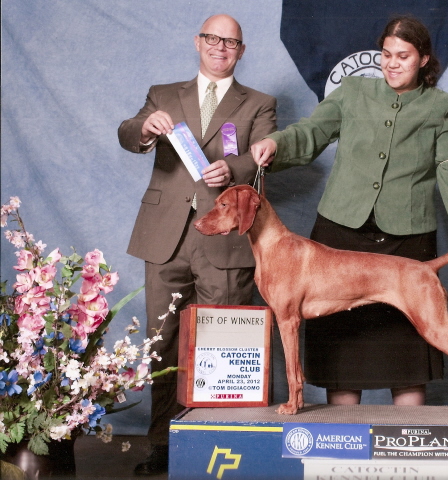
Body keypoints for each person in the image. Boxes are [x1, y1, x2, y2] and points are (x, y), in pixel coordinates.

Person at [251, 15, 448, 408]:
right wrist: (277, 143)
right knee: (343, 359)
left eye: (403, 56)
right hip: (340, 236)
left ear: (424, 59)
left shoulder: (440, 107)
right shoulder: (353, 91)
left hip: (406, 241)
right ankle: (341, 440)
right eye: (386, 54)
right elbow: (312, 131)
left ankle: (408, 441)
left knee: (406, 359)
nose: (392, 63)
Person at [118, 14, 276, 476]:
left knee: (224, 346)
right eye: (212, 38)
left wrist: (235, 169)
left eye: (230, 42)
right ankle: (163, 444)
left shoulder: (260, 103)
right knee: (163, 342)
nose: (220, 47)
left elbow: (264, 153)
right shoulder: (163, 94)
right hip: (163, 237)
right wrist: (146, 127)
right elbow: (127, 133)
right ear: (197, 42)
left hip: (226, 238)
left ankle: (219, 442)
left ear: (241, 51)